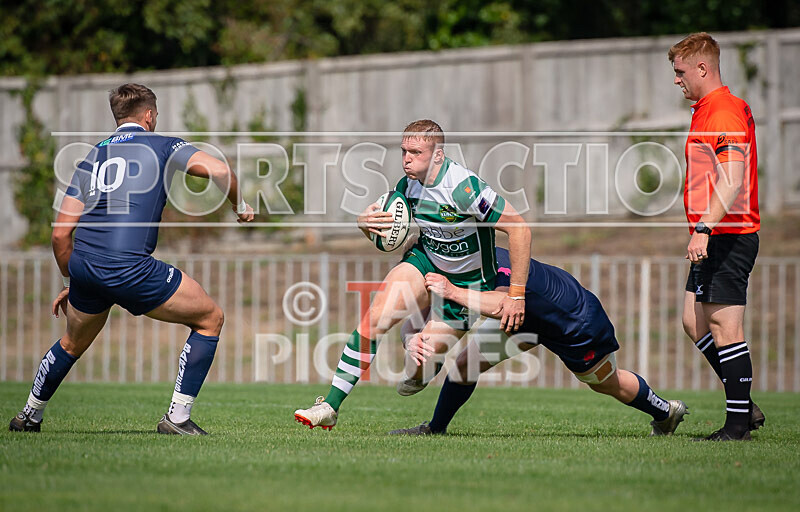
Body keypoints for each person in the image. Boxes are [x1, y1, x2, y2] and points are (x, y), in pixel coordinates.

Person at [8, 83, 254, 436]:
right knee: (209, 318)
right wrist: (239, 205)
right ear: (149, 116)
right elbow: (218, 171)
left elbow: (60, 234)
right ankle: (178, 418)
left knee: (71, 343)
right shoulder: (164, 144)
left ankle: (29, 415)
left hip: (86, 267)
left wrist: (69, 282)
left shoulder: (92, 156)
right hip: (128, 267)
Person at [294, 120, 531, 429]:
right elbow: (390, 235)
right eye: (404, 151)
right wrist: (364, 225)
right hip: (426, 262)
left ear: (437, 156)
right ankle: (330, 406)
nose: (406, 158)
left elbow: (520, 229)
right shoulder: (407, 186)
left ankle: (424, 366)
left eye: (415, 152)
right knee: (376, 316)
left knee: (416, 368)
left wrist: (516, 295)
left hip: (467, 284)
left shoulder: (464, 188)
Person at [390, 248, 689, 436]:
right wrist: (410, 340)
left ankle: (666, 412)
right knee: (465, 365)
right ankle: (434, 429)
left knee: (606, 383)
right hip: (521, 320)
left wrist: (452, 293)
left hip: (572, 321)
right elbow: (421, 314)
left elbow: (500, 302)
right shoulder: (452, 269)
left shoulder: (486, 265)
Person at [670, 33, 764, 441]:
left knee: (726, 327)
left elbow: (733, 179)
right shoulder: (706, 109)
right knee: (694, 320)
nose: (677, 80)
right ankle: (743, 402)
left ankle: (737, 425)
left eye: (680, 71)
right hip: (715, 233)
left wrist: (704, 227)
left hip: (728, 234)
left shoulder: (722, 111)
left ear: (702, 68)